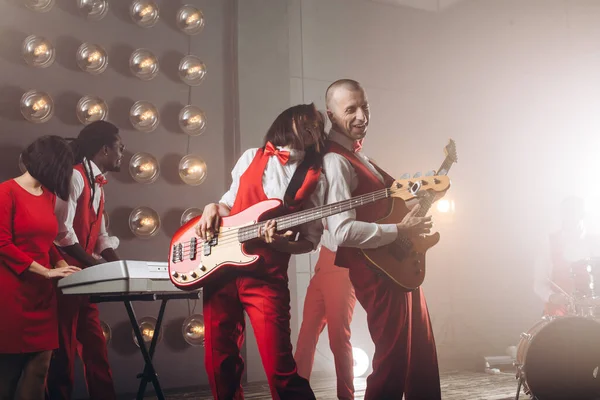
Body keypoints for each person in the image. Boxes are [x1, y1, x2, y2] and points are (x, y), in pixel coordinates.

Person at [195, 103, 327, 399]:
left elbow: (311, 240)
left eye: (317, 126)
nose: (312, 129)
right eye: (307, 122)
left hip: (266, 277)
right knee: (219, 363)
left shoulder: (315, 175)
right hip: (222, 271)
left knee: (280, 368)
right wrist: (211, 207)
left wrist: (280, 244)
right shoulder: (250, 157)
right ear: (286, 121)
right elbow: (228, 204)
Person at [322, 79, 442, 400]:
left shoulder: (363, 159)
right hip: (377, 270)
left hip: (399, 263)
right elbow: (342, 231)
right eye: (351, 110)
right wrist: (400, 231)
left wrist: (426, 195)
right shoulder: (335, 162)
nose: (362, 116)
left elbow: (399, 201)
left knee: (420, 357)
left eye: (366, 107)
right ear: (331, 116)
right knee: (393, 362)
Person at [47, 121, 124, 400]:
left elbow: (101, 238)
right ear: (104, 149)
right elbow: (60, 233)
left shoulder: (99, 186)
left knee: (95, 347)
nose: (122, 153)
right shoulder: (75, 177)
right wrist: (95, 268)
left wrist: (118, 268)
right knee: (63, 352)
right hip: (65, 277)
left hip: (85, 279)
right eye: (119, 147)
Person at [0, 136, 81, 399]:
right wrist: (45, 271)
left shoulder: (47, 196)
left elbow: (46, 240)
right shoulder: (5, 192)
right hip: (12, 292)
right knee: (8, 373)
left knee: (40, 368)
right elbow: (2, 244)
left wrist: (59, 262)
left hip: (42, 295)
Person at [294, 228, 356, 400]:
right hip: (321, 270)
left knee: (338, 338)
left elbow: (342, 236)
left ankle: (346, 396)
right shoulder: (315, 202)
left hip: (343, 270)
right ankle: (297, 394)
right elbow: (313, 240)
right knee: (306, 336)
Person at [533, 196, 600, 316]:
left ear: (582, 214)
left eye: (572, 211)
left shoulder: (596, 243)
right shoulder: (548, 243)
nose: (568, 216)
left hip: (593, 315)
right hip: (558, 315)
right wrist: (552, 296)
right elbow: (539, 283)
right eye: (565, 212)